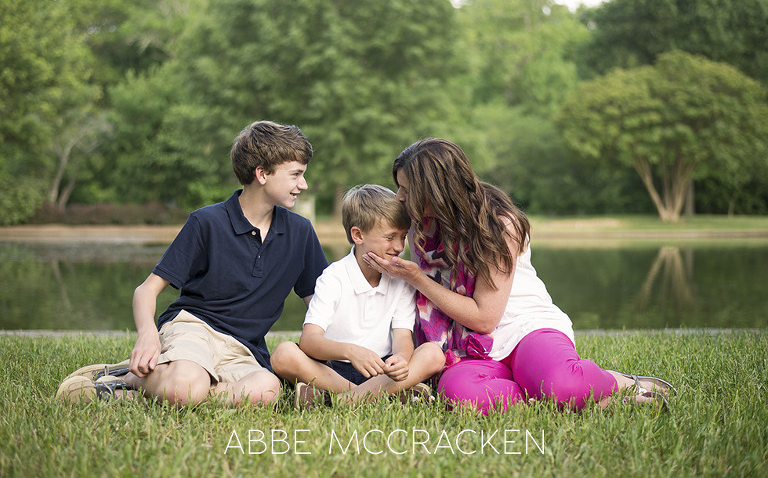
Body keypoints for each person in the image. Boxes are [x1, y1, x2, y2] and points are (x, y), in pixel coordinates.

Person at [362, 138, 676, 415]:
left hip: (525, 328)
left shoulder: (499, 225)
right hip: (467, 346)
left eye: (407, 189)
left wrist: (417, 278)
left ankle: (618, 383)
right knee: (460, 396)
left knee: (562, 385)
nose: (400, 197)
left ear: (436, 190)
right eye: (399, 187)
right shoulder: (420, 227)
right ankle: (560, 392)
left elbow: (485, 318)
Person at [55, 121, 328, 407]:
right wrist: (148, 336)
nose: (303, 185)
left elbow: (322, 305)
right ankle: (127, 376)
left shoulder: (300, 232)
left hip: (243, 349)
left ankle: (140, 393)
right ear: (262, 174)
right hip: (194, 329)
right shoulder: (207, 222)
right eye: (296, 174)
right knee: (186, 386)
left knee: (267, 391)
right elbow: (145, 291)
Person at [270, 184, 445, 407]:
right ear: (358, 235)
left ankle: (334, 398)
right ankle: (375, 396)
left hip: (382, 370)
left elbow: (402, 336)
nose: (400, 246)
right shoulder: (333, 277)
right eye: (390, 237)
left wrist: (400, 358)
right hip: (333, 369)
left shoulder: (401, 279)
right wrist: (351, 352)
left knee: (433, 354)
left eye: (403, 236)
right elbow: (309, 341)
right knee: (283, 354)